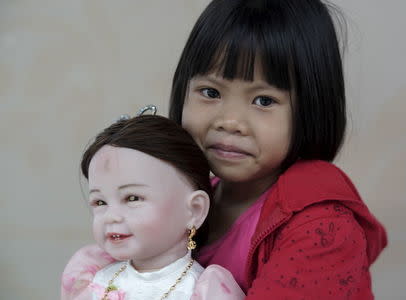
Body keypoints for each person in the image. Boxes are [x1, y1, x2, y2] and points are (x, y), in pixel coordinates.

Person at [62, 0, 388, 299]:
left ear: (312, 109)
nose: (230, 121)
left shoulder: (321, 227)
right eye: (210, 92)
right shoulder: (187, 196)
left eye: (264, 100)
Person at [61, 112, 244, 300]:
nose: (111, 216)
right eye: (100, 202)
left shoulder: (202, 290)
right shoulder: (95, 279)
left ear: (194, 210)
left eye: (132, 198)